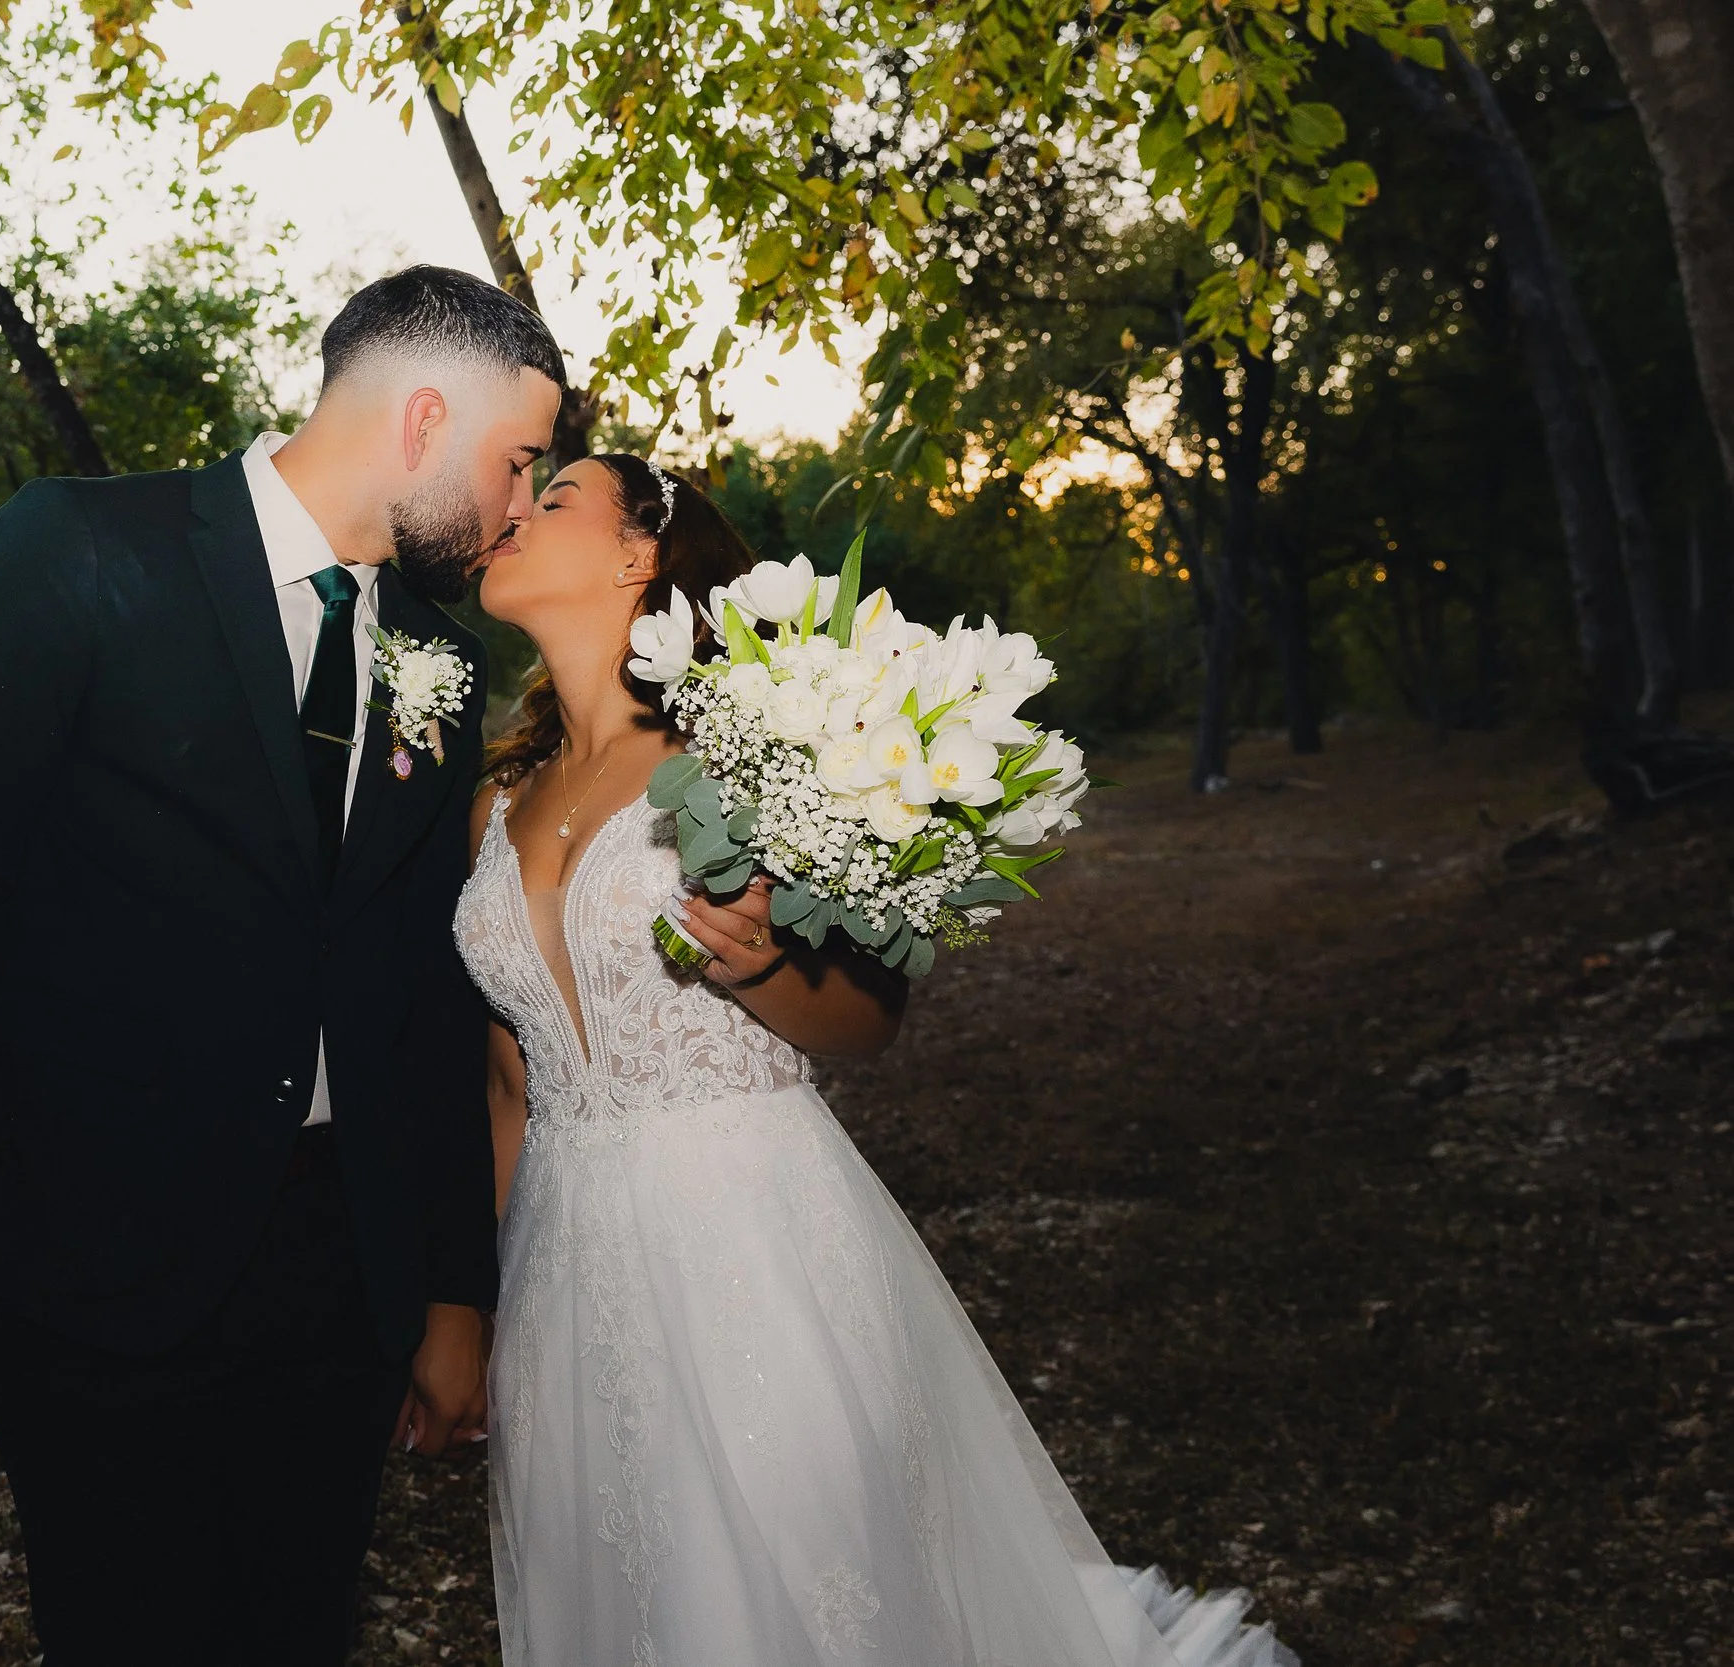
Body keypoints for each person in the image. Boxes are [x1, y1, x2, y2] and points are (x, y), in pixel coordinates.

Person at [457, 455, 1297, 1667]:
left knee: (804, 1593)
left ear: (641, 552)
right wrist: (477, 1300)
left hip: (751, 1239)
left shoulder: (757, 752)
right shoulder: (496, 802)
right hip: (560, 1271)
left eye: (554, 499)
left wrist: (759, 971)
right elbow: (512, 1082)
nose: (511, 515)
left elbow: (869, 1019)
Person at [0, 265, 565, 1665]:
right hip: (87, 1262)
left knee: (298, 1624)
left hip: (334, 1274)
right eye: (518, 461)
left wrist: (447, 1287)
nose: (521, 506)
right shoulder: (75, 549)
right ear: (425, 416)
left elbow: (421, 990)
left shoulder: (436, 653)